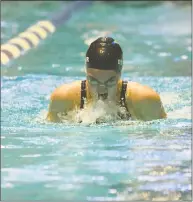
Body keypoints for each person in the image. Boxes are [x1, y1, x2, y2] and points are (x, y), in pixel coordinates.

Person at [46, 37, 167, 122]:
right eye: (93, 81)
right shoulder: (64, 98)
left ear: (120, 74)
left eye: (110, 82)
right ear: (86, 73)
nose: (101, 89)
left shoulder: (144, 100)